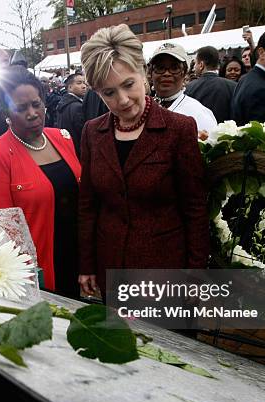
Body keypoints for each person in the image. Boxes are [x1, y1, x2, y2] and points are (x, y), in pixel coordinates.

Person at [78, 24, 209, 299]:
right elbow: (88, 205)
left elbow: (195, 209)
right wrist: (87, 265)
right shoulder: (92, 132)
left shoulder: (180, 129)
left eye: (128, 85)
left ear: (143, 73)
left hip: (166, 272)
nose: (123, 100)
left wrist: (196, 272)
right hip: (112, 269)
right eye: (108, 93)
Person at [0, 67, 81, 297]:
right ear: (6, 111)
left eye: (36, 104)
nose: (32, 113)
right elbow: (3, 230)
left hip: (78, 253)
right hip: (41, 267)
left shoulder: (62, 138)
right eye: (21, 108)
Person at [147, 42, 217, 135]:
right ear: (151, 73)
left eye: (174, 68)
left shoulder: (199, 113)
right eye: (160, 68)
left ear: (184, 73)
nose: (167, 73)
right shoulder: (142, 110)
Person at [185, 46, 237, 123]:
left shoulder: (190, 87)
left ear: (201, 65)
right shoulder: (234, 86)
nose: (193, 68)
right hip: (227, 133)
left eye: (195, 63)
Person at [55, 73, 88, 156]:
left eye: (84, 83)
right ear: (70, 87)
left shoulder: (62, 103)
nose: (84, 86)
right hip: (78, 152)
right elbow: (82, 134)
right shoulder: (77, 107)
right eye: (79, 83)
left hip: (67, 150)